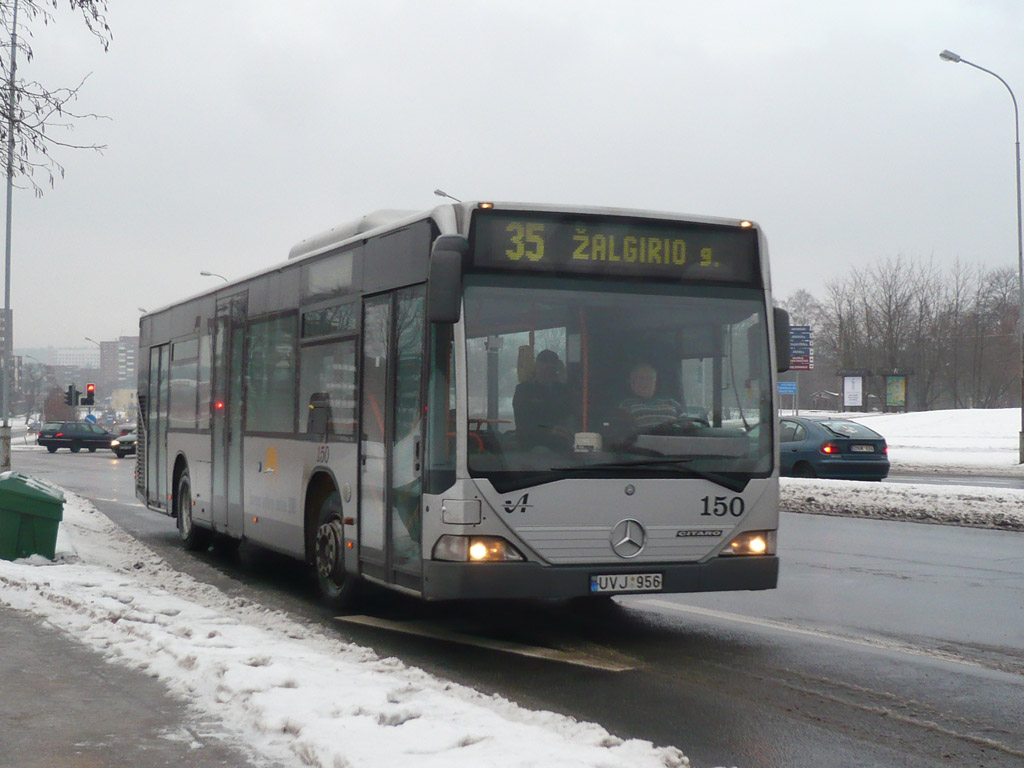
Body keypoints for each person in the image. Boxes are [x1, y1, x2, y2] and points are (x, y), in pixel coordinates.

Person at [513, 349, 573, 449]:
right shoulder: (524, 390)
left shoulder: (563, 390)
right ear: (537, 367)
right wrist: (551, 431)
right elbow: (523, 423)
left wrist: (564, 381)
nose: (548, 372)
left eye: (552, 368)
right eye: (545, 367)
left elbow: (571, 414)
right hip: (531, 446)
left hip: (562, 444)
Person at [617, 363, 689, 431]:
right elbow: (624, 431)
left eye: (650, 378)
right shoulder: (626, 405)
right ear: (632, 383)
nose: (645, 382)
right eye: (641, 378)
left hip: (675, 441)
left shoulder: (672, 403)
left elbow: (688, 426)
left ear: (655, 382)